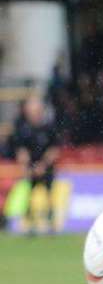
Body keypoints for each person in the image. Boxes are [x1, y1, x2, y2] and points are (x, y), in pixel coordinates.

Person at [10, 96, 60, 235]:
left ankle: (51, 225)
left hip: (46, 168)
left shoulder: (49, 127)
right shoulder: (22, 128)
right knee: (29, 196)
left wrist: (43, 165)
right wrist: (28, 167)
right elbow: (21, 150)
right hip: (31, 168)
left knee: (49, 196)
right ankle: (29, 225)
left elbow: (54, 149)